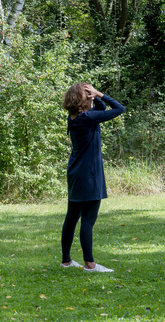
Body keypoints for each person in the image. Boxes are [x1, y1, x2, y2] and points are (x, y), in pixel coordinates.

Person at [60, 83, 126, 272]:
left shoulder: (74, 118)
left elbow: (100, 109)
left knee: (71, 218)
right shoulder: (88, 118)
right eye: (88, 95)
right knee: (87, 220)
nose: (92, 98)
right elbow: (119, 108)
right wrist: (100, 94)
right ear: (82, 100)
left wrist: (94, 98)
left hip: (75, 173)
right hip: (89, 175)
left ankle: (66, 261)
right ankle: (90, 264)